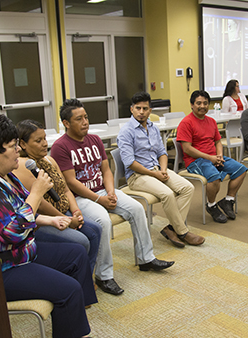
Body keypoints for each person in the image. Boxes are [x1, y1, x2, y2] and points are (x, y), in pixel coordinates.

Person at [0, 111, 99, 338]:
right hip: (5, 267)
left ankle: (74, 327)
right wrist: (36, 193)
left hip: (24, 252)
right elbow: (12, 232)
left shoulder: (3, 174)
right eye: (13, 147)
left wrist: (51, 219)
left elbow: (15, 216)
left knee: (77, 253)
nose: (18, 152)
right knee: (68, 289)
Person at [51, 99, 173, 289]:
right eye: (79, 119)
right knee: (104, 221)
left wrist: (109, 192)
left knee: (136, 208)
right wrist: (99, 199)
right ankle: (103, 275)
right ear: (66, 123)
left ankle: (145, 258)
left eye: (86, 117)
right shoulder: (61, 147)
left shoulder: (95, 140)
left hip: (102, 190)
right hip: (80, 198)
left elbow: (106, 170)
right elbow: (71, 182)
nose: (85, 122)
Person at [117, 91, 205, 248]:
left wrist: (163, 169)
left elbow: (162, 153)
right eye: (138, 108)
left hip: (157, 169)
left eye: (145, 108)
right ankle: (182, 232)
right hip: (137, 176)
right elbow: (129, 162)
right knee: (168, 194)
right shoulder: (126, 131)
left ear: (150, 110)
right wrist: (154, 174)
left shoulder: (153, 128)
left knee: (187, 188)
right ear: (132, 109)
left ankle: (171, 228)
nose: (141, 112)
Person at [14, 119, 102, 274]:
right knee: (81, 241)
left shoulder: (48, 160)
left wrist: (75, 211)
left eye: (44, 139)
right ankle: (74, 277)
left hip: (64, 212)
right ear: (23, 144)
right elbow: (39, 203)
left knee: (95, 230)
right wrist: (66, 220)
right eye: (38, 140)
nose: (44, 144)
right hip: (45, 219)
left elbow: (65, 189)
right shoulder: (23, 165)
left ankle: (86, 275)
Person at [176, 90, 248, 223]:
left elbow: (218, 142)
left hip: (213, 157)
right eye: (198, 103)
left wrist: (219, 156)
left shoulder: (211, 121)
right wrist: (210, 158)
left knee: (241, 170)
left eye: (205, 103)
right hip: (196, 161)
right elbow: (187, 149)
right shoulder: (186, 123)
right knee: (214, 178)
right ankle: (211, 205)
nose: (202, 106)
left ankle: (228, 200)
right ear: (192, 105)